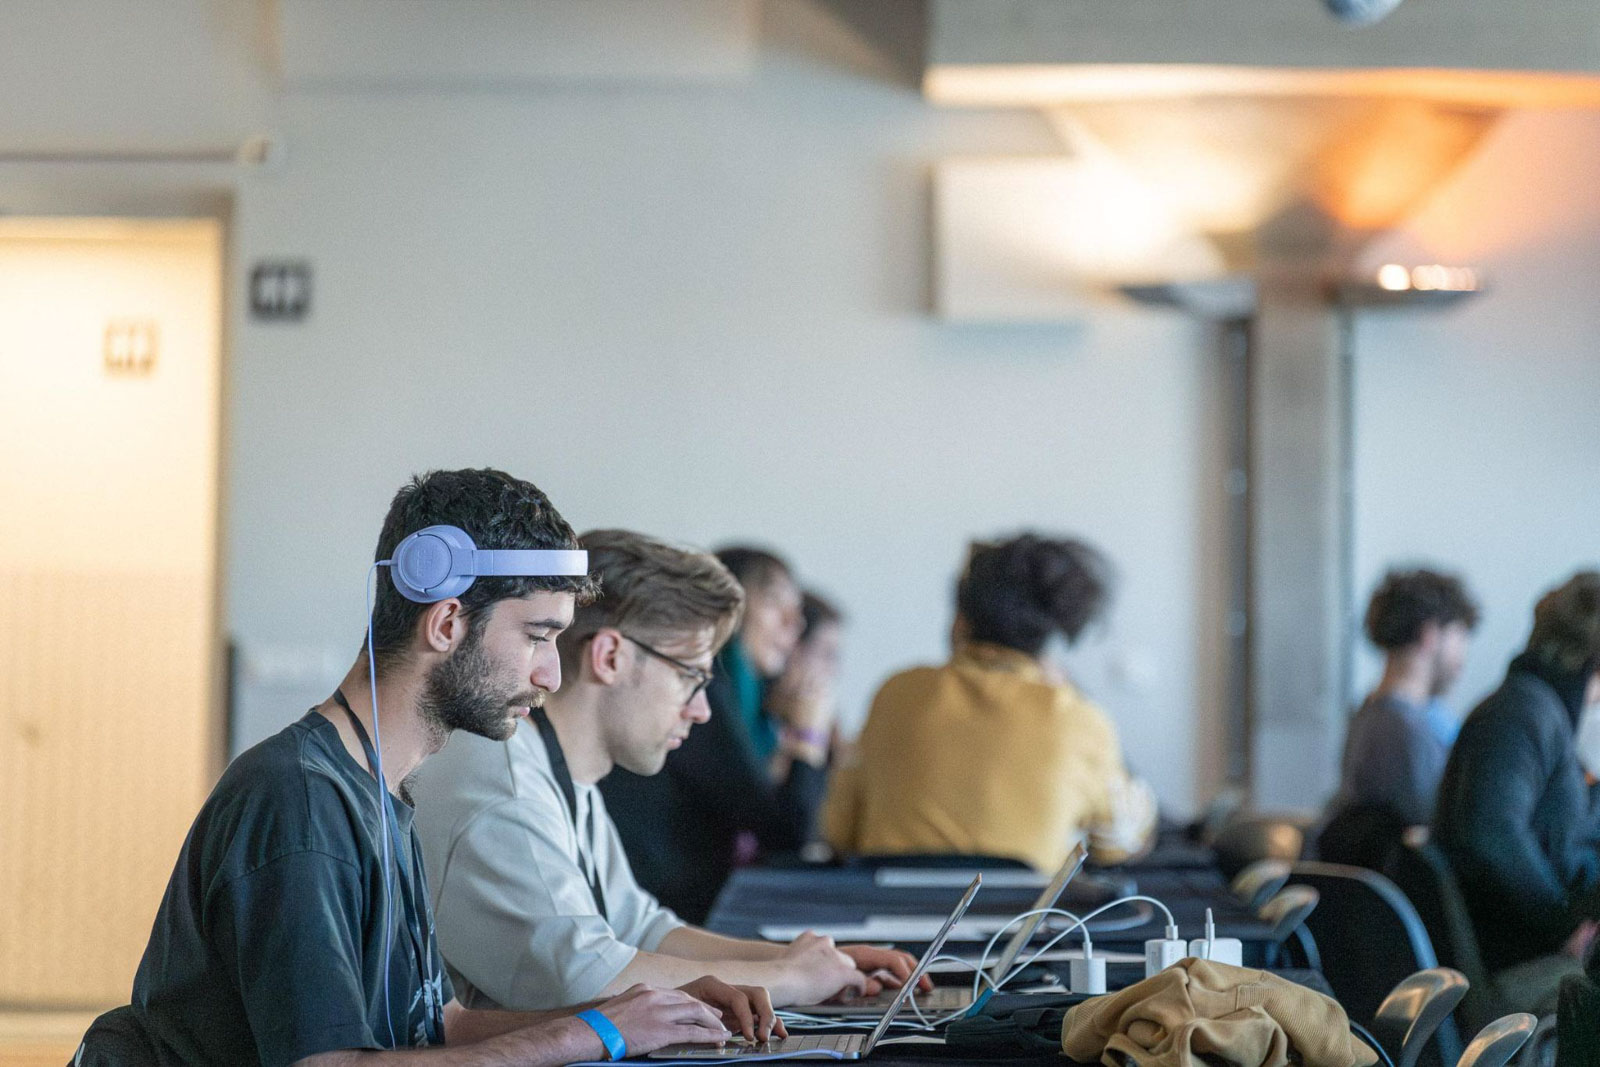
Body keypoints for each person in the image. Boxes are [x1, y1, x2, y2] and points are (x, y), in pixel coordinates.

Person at [75, 469, 773, 1066]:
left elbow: (438, 1027)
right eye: (537, 636)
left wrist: (636, 1012)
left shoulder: (384, 788)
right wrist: (594, 1033)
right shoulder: (298, 801)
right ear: (446, 622)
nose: (552, 674)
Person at [411, 530, 922, 1012]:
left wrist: (804, 960)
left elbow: (640, 928)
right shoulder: (507, 783)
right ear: (610, 657)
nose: (701, 710)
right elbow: (582, 980)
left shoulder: (560, 764)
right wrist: (789, 980)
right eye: (690, 677)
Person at [823, 533, 1156, 871]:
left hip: (889, 900)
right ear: (1053, 631)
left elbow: (838, 831)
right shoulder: (1078, 718)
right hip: (1027, 905)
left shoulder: (895, 693)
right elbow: (1119, 843)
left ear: (960, 620)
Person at [601, 547, 830, 923]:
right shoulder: (712, 690)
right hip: (665, 906)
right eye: (775, 602)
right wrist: (809, 734)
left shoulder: (753, 703)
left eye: (797, 608)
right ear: (728, 608)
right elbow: (787, 833)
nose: (795, 623)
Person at [1433, 570, 1600, 1015]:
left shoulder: (1533, 707)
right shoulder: (1521, 713)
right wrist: (1562, 925)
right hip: (1521, 969)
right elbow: (1491, 831)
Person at [1318, 568, 1479, 869]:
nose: (1463, 654)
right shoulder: (1401, 729)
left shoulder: (1376, 713)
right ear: (1430, 634)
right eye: (1459, 635)